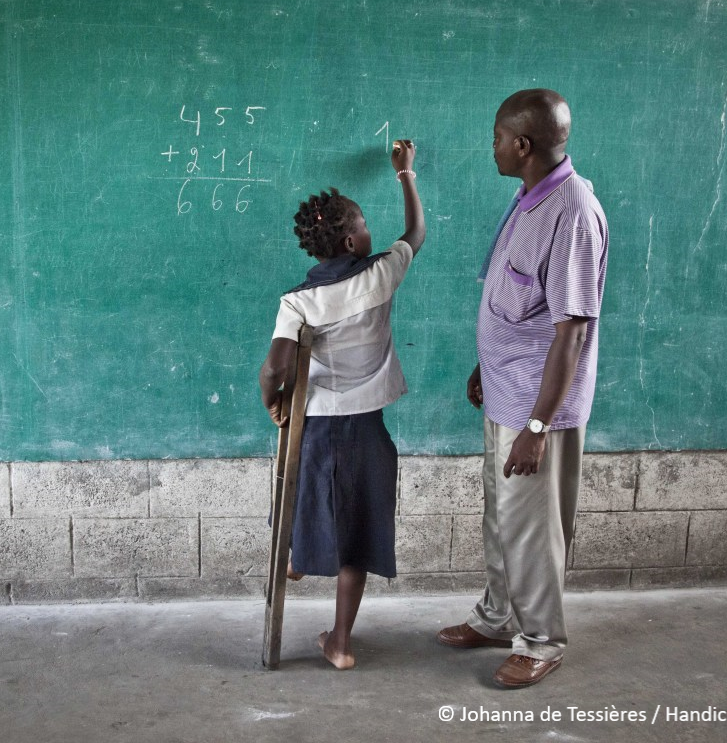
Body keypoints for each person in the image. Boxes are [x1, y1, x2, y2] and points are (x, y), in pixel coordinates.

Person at [437, 89, 608, 689]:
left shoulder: (572, 213)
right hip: (507, 390)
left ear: (523, 145)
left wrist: (537, 427)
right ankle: (497, 615)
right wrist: (487, 361)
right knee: (501, 516)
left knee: (533, 527)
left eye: (495, 138)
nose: (492, 147)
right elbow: (519, 299)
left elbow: (571, 332)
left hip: (538, 408)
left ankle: (541, 641)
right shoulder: (531, 197)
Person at [259, 141, 425, 670]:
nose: (371, 232)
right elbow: (415, 234)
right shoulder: (381, 274)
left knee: (298, 491)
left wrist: (273, 398)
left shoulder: (297, 302)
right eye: (365, 224)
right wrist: (406, 175)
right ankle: (342, 644)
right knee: (357, 533)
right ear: (354, 240)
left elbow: (276, 366)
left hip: (315, 428)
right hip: (367, 430)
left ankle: (297, 558)